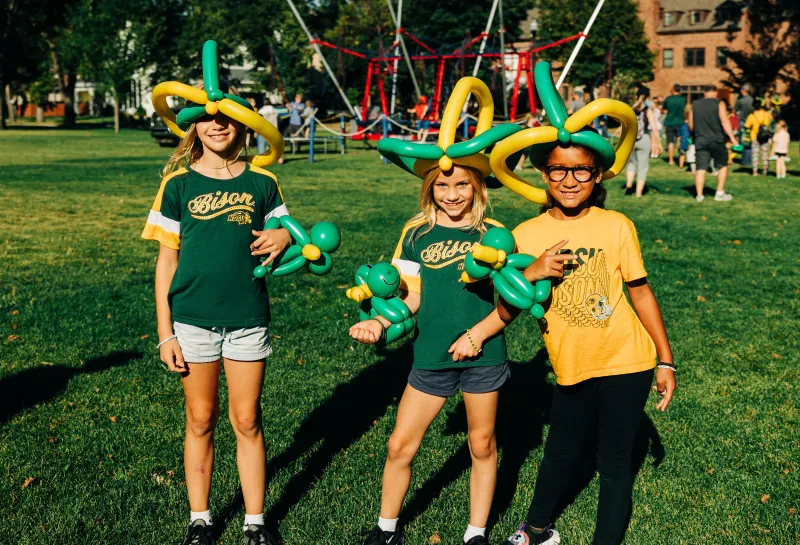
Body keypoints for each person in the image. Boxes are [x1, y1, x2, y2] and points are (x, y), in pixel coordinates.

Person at [473, 63, 676, 545]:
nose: (569, 179)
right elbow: (510, 298)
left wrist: (665, 360)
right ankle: (538, 528)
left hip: (626, 360)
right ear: (543, 174)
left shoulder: (616, 225)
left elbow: (641, 292)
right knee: (561, 449)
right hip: (571, 362)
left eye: (580, 169)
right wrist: (532, 270)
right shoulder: (526, 234)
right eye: (558, 169)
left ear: (597, 173)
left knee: (613, 459)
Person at [361, 79, 515, 545]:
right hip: (428, 355)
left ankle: (475, 533)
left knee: (482, 445)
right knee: (399, 446)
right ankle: (386, 529)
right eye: (443, 185)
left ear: (477, 185)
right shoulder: (415, 232)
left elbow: (512, 298)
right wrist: (380, 321)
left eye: (462, 184)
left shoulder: (496, 233)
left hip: (483, 355)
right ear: (430, 187)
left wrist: (479, 335)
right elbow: (409, 295)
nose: (452, 194)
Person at [143, 80, 290, 545]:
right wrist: (166, 333)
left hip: (248, 317)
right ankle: (201, 519)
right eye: (206, 117)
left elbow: (291, 236)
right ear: (192, 126)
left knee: (247, 419)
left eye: (226, 117)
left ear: (242, 124)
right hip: (191, 320)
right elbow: (166, 261)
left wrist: (285, 236)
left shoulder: (263, 182)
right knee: (201, 419)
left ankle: (254, 522)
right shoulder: (178, 184)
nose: (216, 124)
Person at [690, 85, 739, 201]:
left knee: (700, 168)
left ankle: (699, 195)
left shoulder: (695, 104)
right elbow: (724, 121)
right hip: (717, 139)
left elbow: (691, 125)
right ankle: (719, 193)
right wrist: (733, 138)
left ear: (704, 93)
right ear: (716, 93)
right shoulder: (719, 103)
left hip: (700, 140)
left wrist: (695, 135)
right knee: (723, 165)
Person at [625, 89, 659, 197]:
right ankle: (638, 193)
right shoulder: (647, 110)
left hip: (631, 139)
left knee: (631, 164)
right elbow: (654, 128)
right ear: (647, 97)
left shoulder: (630, 109)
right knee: (642, 167)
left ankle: (629, 186)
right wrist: (658, 143)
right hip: (644, 139)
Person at [744, 100, 774, 177]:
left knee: (755, 154)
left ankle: (755, 171)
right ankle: (765, 171)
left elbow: (747, 125)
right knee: (765, 154)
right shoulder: (767, 114)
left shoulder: (751, 115)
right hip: (765, 137)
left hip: (754, 137)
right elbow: (771, 122)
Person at [663, 84, 687, 165]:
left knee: (670, 142)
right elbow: (685, 110)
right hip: (680, 122)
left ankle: (671, 160)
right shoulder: (683, 99)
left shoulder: (668, 99)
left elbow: (665, 111)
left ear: (673, 89)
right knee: (680, 141)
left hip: (669, 122)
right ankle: (680, 160)